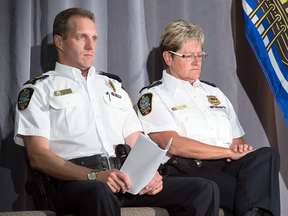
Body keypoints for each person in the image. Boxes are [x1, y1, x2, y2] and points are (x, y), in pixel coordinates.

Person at [14, 9, 220, 216]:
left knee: (203, 189)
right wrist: (94, 176)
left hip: (123, 178)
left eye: (94, 38)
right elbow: (37, 156)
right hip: (76, 183)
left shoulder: (111, 85)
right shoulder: (39, 89)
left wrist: (151, 174)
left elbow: (135, 140)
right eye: (80, 37)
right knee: (99, 191)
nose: (90, 45)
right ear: (59, 42)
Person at [137, 20, 280, 216]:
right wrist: (226, 151)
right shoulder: (154, 97)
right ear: (168, 58)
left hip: (227, 164)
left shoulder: (215, 92)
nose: (197, 62)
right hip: (193, 169)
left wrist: (239, 149)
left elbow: (237, 141)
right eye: (188, 56)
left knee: (267, 155)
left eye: (200, 55)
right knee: (251, 194)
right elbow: (174, 145)